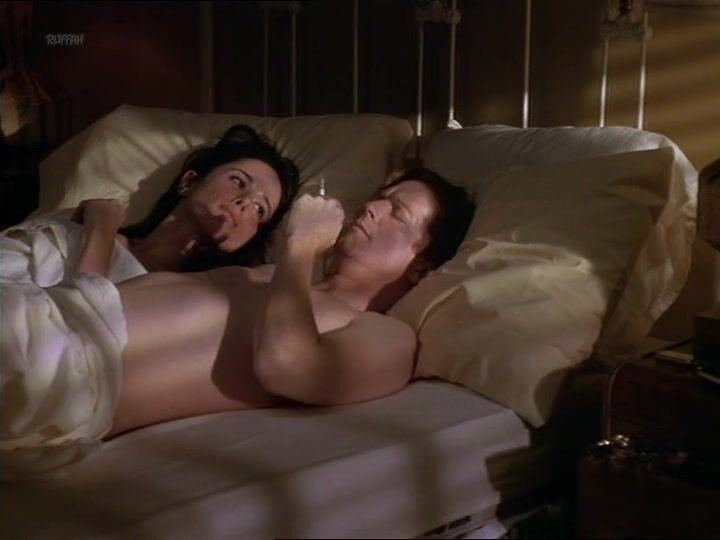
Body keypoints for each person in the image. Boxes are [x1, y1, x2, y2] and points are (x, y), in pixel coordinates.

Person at [0, 167, 475, 478]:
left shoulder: (388, 335)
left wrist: (299, 249)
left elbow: (289, 366)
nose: (372, 207)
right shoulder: (275, 277)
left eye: (398, 213)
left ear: (421, 267)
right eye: (380, 197)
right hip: (45, 312)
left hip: (68, 368)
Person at [0, 124, 300, 288]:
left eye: (260, 210)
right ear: (189, 182)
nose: (245, 202)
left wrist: (100, 232)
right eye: (238, 181)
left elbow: (81, 329)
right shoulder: (78, 223)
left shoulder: (196, 296)